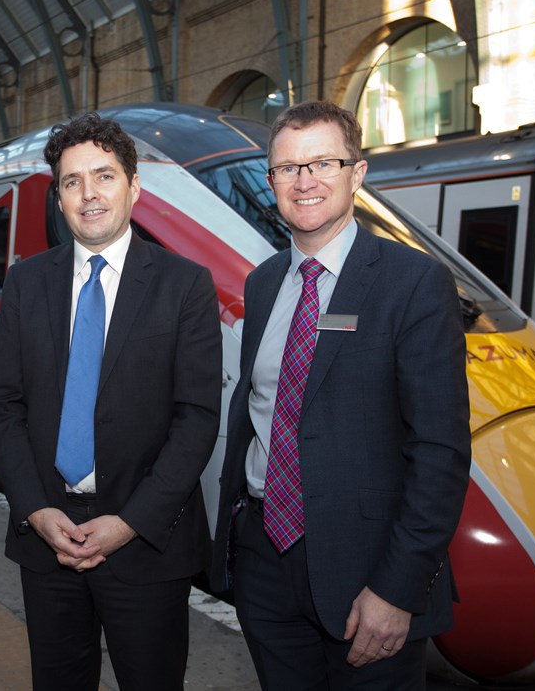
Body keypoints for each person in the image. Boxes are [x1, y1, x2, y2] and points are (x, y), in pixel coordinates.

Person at [210, 101, 471, 690]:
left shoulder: (413, 282)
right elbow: (258, 411)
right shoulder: (265, 280)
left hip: (368, 572)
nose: (305, 182)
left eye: (323, 162)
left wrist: (397, 588)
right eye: (287, 168)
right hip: (263, 560)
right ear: (271, 180)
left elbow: (440, 452)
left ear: (358, 173)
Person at [0, 112, 222, 691]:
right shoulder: (27, 282)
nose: (89, 194)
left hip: (146, 543)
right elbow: (1, 404)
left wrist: (129, 523)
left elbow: (197, 419)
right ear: (59, 198)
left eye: (104, 176)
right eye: (72, 182)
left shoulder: (185, 284)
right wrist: (36, 510)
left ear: (134, 187)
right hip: (48, 537)